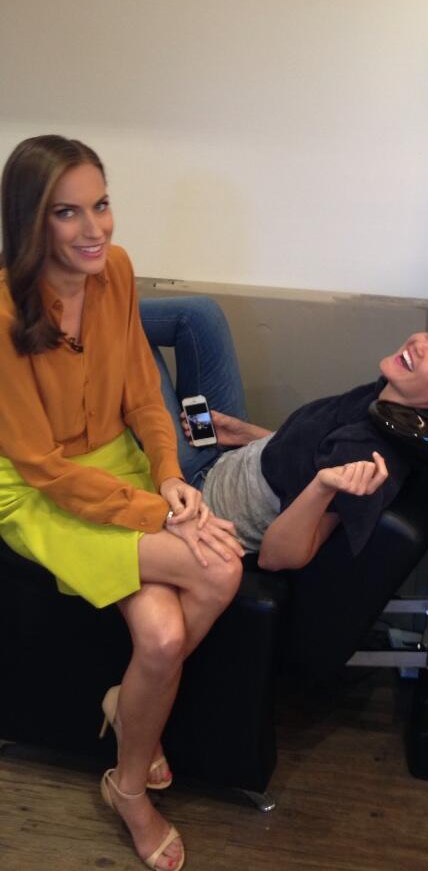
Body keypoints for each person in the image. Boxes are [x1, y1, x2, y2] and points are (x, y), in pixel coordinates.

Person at [0, 136, 245, 871]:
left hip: (118, 465)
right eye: (67, 212)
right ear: (30, 220)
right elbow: (41, 467)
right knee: (220, 567)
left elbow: (142, 390)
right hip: (39, 489)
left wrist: (168, 475)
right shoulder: (3, 309)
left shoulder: (118, 271)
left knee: (163, 639)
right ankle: (134, 790)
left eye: (101, 205)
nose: (94, 228)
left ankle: (124, 751)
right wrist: (157, 515)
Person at [139, 297, 428, 573]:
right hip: (229, 454)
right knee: (200, 316)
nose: (420, 345)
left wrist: (322, 487)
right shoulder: (389, 398)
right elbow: (307, 454)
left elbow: (276, 558)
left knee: (132, 343)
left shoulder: (368, 455)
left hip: (199, 494)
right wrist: (242, 432)